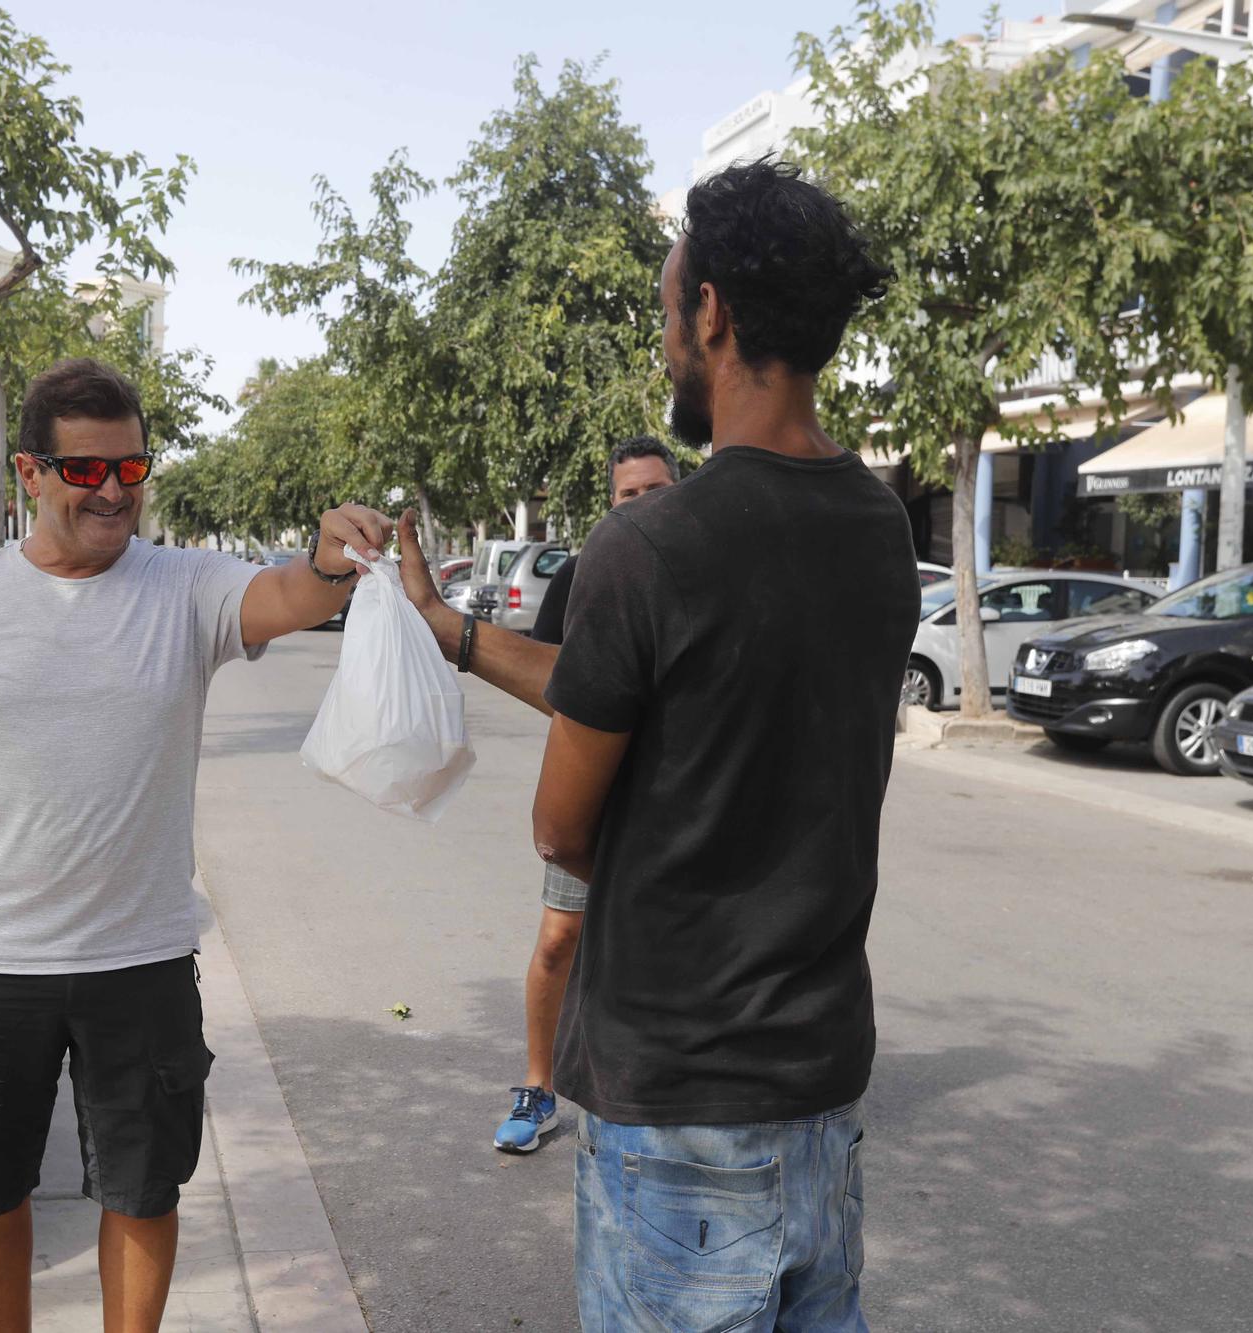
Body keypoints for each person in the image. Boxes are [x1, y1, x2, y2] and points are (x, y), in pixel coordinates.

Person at [401, 156, 912, 1330]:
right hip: (818, 1086)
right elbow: (650, 690)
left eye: (666, 310)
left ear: (714, 312)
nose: (664, 342)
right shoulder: (876, 526)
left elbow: (558, 827)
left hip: (678, 1096)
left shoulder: (648, 544)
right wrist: (453, 633)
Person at [0, 357, 392, 1333]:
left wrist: (332, 557)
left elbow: (289, 595)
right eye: (85, 471)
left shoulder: (185, 587)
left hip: (142, 954)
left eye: (130, 469)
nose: (112, 492)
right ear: (29, 475)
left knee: (142, 1188)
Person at [489, 436, 681, 1154]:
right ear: (610, 502)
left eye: (655, 490)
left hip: (673, 797)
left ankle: (657, 1089)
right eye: (629, 494)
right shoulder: (583, 573)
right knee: (559, 939)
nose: (642, 505)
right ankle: (539, 1089)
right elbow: (549, 681)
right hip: (595, 788)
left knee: (665, 941)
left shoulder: (702, 569)